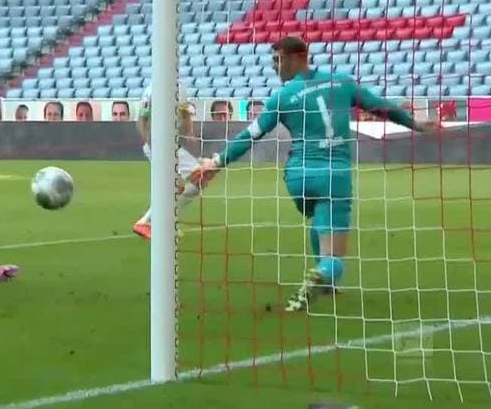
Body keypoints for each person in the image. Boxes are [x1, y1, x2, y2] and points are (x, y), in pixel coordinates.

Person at [200, 36, 436, 312]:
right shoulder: (342, 83)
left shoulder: (283, 97)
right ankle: (325, 272)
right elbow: (380, 106)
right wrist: (415, 124)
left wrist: (217, 162)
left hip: (298, 178)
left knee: (318, 218)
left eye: (278, 61)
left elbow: (251, 135)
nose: (275, 68)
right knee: (334, 253)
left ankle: (327, 284)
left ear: (295, 57)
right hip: (335, 175)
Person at [132, 82, 213, 240]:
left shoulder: (179, 88)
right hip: (158, 146)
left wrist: (190, 132)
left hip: (172, 146)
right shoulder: (152, 91)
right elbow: (141, 121)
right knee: (180, 184)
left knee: (200, 179)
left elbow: (185, 113)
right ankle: (147, 222)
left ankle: (163, 223)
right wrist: (151, 144)